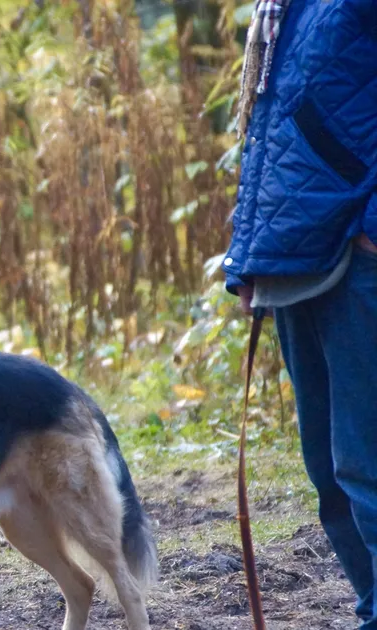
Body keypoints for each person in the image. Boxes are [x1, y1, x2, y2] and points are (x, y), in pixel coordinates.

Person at [223, 1, 377, 627]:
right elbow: (270, 138)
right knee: (328, 470)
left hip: (356, 254)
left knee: (365, 461)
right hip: (294, 259)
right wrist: (248, 261)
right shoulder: (283, 7)